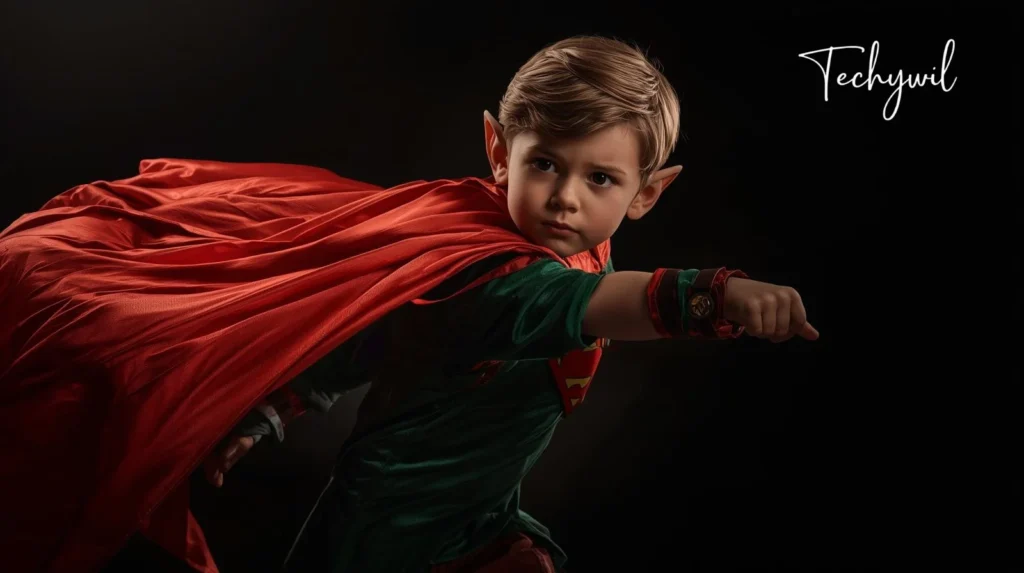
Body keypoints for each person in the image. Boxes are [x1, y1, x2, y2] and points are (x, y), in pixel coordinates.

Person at [0, 35, 816, 573]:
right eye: (544, 165)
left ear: (647, 193)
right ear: (499, 150)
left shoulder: (509, 241)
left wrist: (275, 408)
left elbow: (389, 324)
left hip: (475, 509)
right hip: (392, 533)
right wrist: (723, 295)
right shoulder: (507, 274)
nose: (565, 199)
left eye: (599, 178)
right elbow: (616, 304)